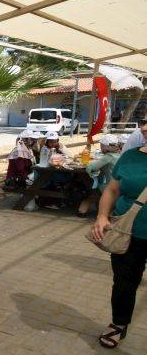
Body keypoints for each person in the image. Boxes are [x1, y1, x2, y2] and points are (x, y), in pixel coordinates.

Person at [91, 126, 146, 349]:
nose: (143, 127)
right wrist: (102, 216)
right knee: (124, 282)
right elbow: (112, 190)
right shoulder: (130, 157)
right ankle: (119, 323)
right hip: (127, 232)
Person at [77, 134, 121, 216]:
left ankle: (82, 211)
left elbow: (91, 168)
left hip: (110, 186)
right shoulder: (120, 155)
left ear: (104, 146)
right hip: (120, 185)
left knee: (92, 189)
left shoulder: (108, 157)